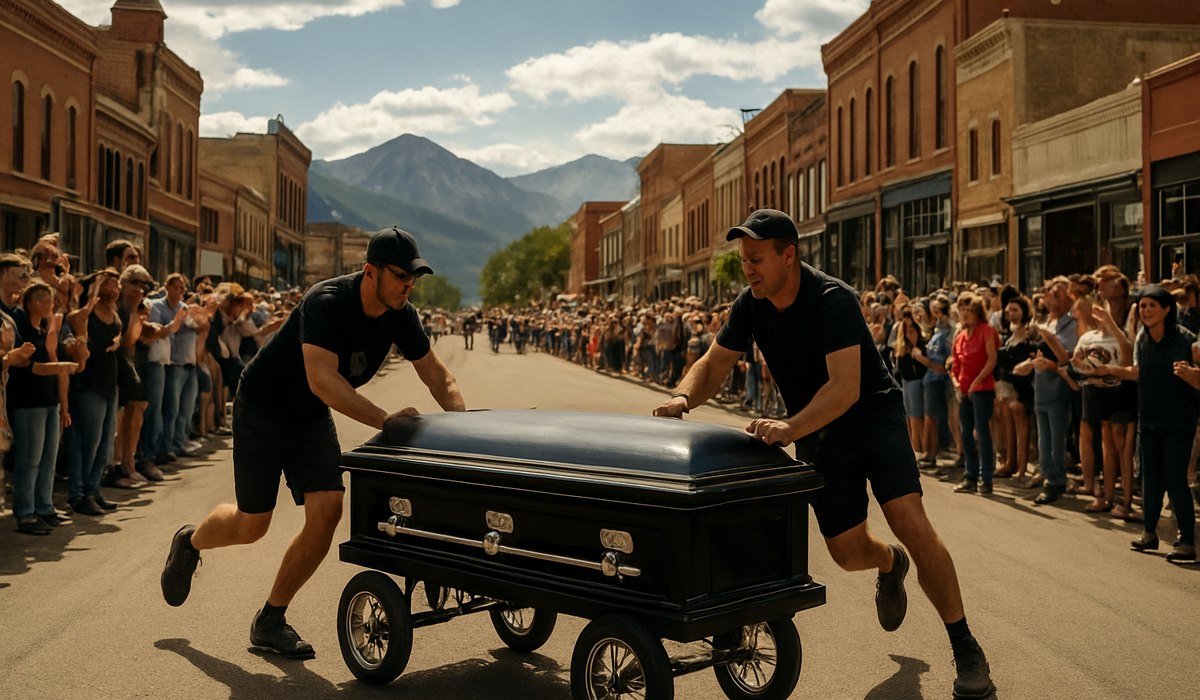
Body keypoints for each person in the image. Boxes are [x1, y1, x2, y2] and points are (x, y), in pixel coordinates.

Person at [652, 209, 994, 699]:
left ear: (789, 255)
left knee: (910, 521)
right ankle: (888, 565)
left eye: (756, 258)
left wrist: (789, 427)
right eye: (744, 258)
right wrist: (683, 397)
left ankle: (966, 649)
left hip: (871, 419)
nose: (748, 268)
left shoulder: (833, 299)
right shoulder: (751, 305)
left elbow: (845, 388)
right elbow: (713, 363)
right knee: (847, 552)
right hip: (820, 432)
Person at [160, 226, 467, 658]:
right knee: (253, 525)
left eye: (414, 277)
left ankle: (270, 618)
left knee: (327, 512)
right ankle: (190, 542)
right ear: (370, 272)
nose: (408, 285)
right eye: (400, 276)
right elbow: (323, 380)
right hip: (263, 409)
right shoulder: (326, 302)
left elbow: (439, 375)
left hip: (308, 418)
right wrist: (384, 419)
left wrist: (465, 429)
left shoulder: (402, 313)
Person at [1104, 285, 1197, 563]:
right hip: (1150, 418)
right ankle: (1149, 534)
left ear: (1167, 309)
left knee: (1176, 478)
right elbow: (1137, 372)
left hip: (1179, 420)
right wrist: (1108, 370)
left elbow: (1198, 376)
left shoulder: (1187, 341)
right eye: (1142, 306)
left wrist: (1191, 373)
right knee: (1151, 478)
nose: (1145, 311)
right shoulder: (1143, 338)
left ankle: (1187, 541)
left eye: (1152, 306)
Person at [950, 293, 999, 494]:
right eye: (963, 310)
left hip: (982, 389)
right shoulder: (960, 336)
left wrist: (976, 382)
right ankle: (970, 475)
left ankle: (985, 478)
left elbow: (991, 360)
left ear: (978, 313)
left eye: (970, 310)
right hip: (963, 390)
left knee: (981, 432)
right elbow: (954, 364)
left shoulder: (986, 331)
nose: (965, 314)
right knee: (965, 433)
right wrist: (956, 384)